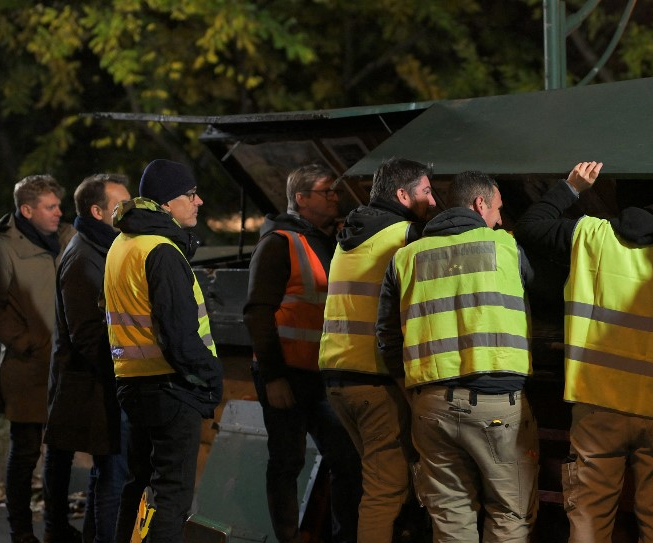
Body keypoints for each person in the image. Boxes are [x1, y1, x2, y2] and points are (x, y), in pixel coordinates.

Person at [515, 163, 653, 543]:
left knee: (589, 519)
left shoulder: (589, 235)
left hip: (596, 408)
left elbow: (530, 227)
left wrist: (571, 187)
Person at [376, 170, 539, 543]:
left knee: (450, 520)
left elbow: (386, 336)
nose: (500, 218)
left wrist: (410, 389)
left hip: (430, 405)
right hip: (498, 405)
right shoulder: (506, 247)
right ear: (480, 203)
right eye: (498, 208)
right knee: (510, 513)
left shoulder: (405, 257)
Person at [105, 159, 223, 542]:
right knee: (171, 497)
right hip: (172, 388)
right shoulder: (161, 250)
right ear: (168, 204)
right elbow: (180, 335)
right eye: (190, 194)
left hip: (134, 385)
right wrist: (208, 380)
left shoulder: (122, 244)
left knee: (139, 486)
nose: (199, 201)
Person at [318, 157, 436, 543]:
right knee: (385, 491)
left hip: (338, 379)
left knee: (376, 479)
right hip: (376, 380)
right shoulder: (405, 236)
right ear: (402, 195)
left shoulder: (349, 235)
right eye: (426, 191)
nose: (432, 202)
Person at [243, 163, 362, 543]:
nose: (335, 197)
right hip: (287, 374)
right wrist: (274, 375)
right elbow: (258, 311)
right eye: (326, 191)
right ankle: (289, 537)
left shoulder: (329, 241)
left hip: (322, 373)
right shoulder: (280, 242)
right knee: (287, 461)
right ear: (301, 198)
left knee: (346, 459)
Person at [0, 174, 77, 543]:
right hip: (28, 367)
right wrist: (27, 340)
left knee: (61, 451)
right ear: (27, 210)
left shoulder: (67, 239)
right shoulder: (0, 250)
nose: (59, 213)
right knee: (26, 451)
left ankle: (56, 525)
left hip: (64, 366)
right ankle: (20, 529)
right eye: (51, 207)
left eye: (59, 206)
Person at [45, 174, 131, 543]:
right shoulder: (83, 257)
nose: (130, 211)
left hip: (104, 386)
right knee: (112, 475)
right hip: (99, 387)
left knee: (107, 474)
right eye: (121, 205)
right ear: (97, 211)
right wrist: (127, 369)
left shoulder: (102, 248)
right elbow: (89, 335)